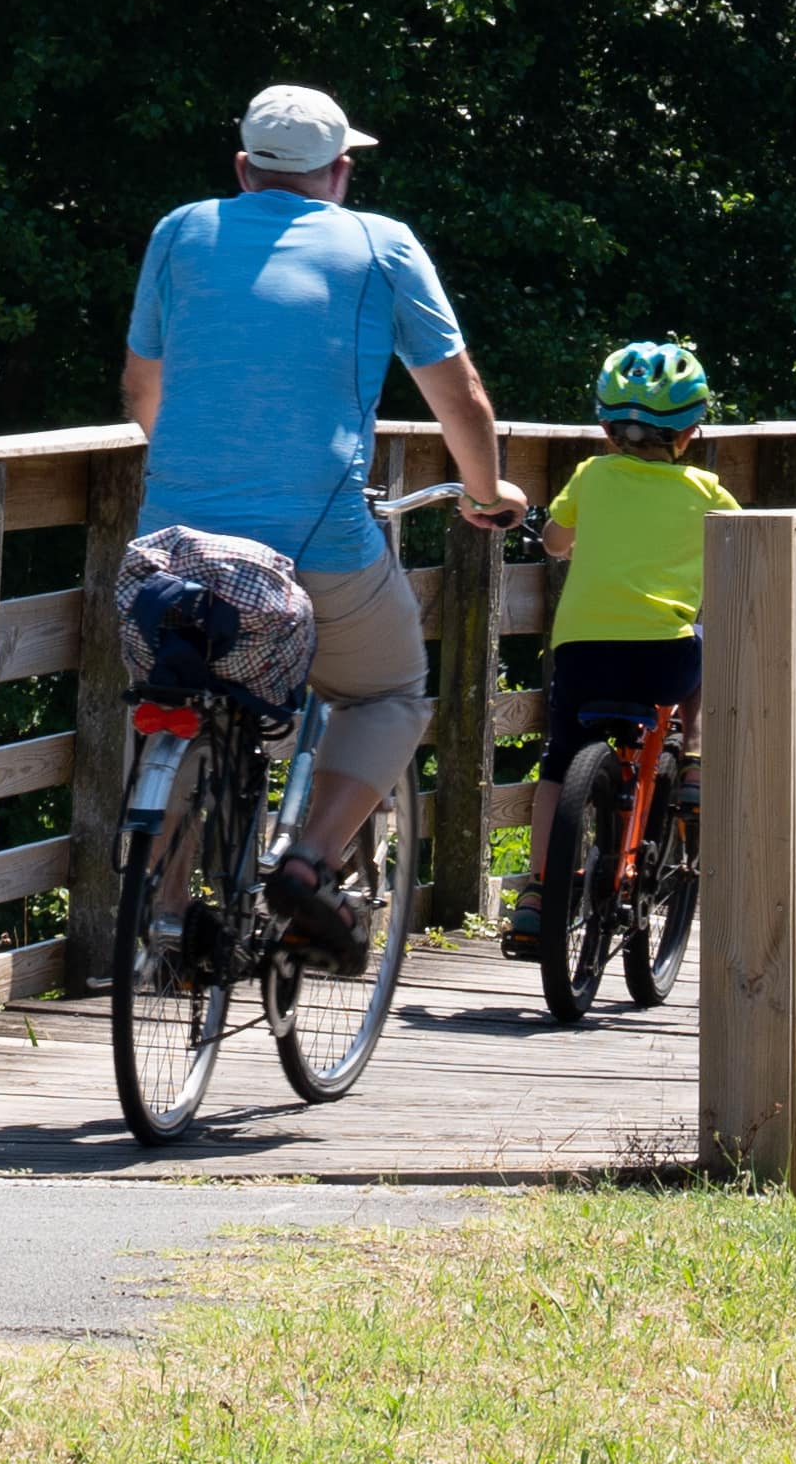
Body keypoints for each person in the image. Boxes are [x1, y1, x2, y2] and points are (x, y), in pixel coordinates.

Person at [121, 82, 520, 958]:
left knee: (183, 692)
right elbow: (461, 398)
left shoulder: (182, 231)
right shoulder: (383, 245)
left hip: (173, 542)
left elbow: (140, 388)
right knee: (387, 690)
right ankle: (305, 862)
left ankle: (167, 917)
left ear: (242, 168)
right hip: (315, 542)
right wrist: (489, 493)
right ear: (341, 173)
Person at [500, 341, 731, 954]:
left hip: (584, 653)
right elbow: (746, 549)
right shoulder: (707, 490)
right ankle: (697, 756)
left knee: (558, 762)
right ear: (690, 432)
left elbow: (553, 542)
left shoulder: (592, 475)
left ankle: (538, 893)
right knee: (704, 641)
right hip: (664, 659)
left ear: (606, 427)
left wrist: (547, 529)